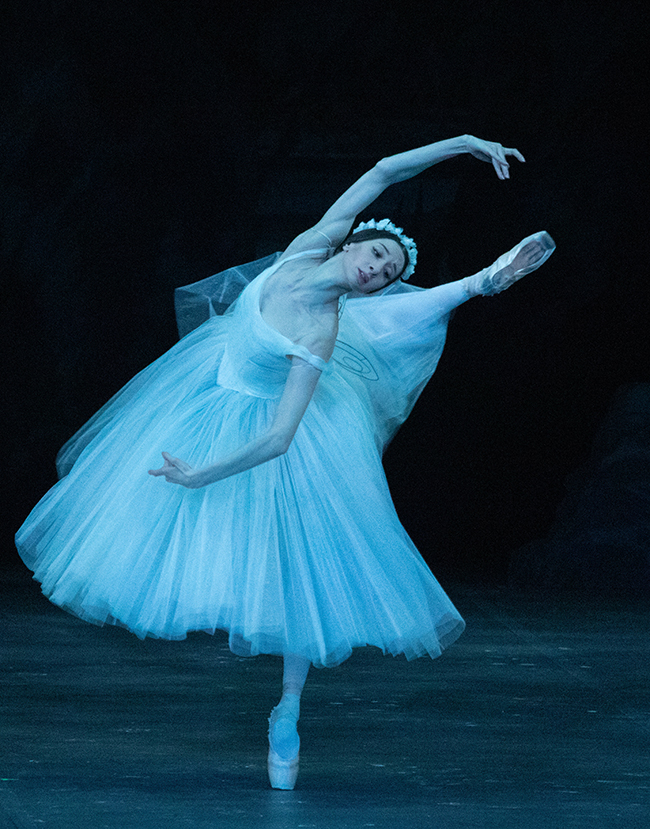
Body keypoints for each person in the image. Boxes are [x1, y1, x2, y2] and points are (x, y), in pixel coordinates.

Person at [16, 134, 555, 790]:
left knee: (304, 566)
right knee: (182, 541)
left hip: (276, 430)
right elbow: (382, 169)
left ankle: (289, 706)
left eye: (387, 273)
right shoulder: (307, 246)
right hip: (211, 390)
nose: (377, 269)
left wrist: (202, 473)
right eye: (377, 254)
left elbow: (277, 438)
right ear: (354, 241)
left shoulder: (321, 329)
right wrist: (465, 143)